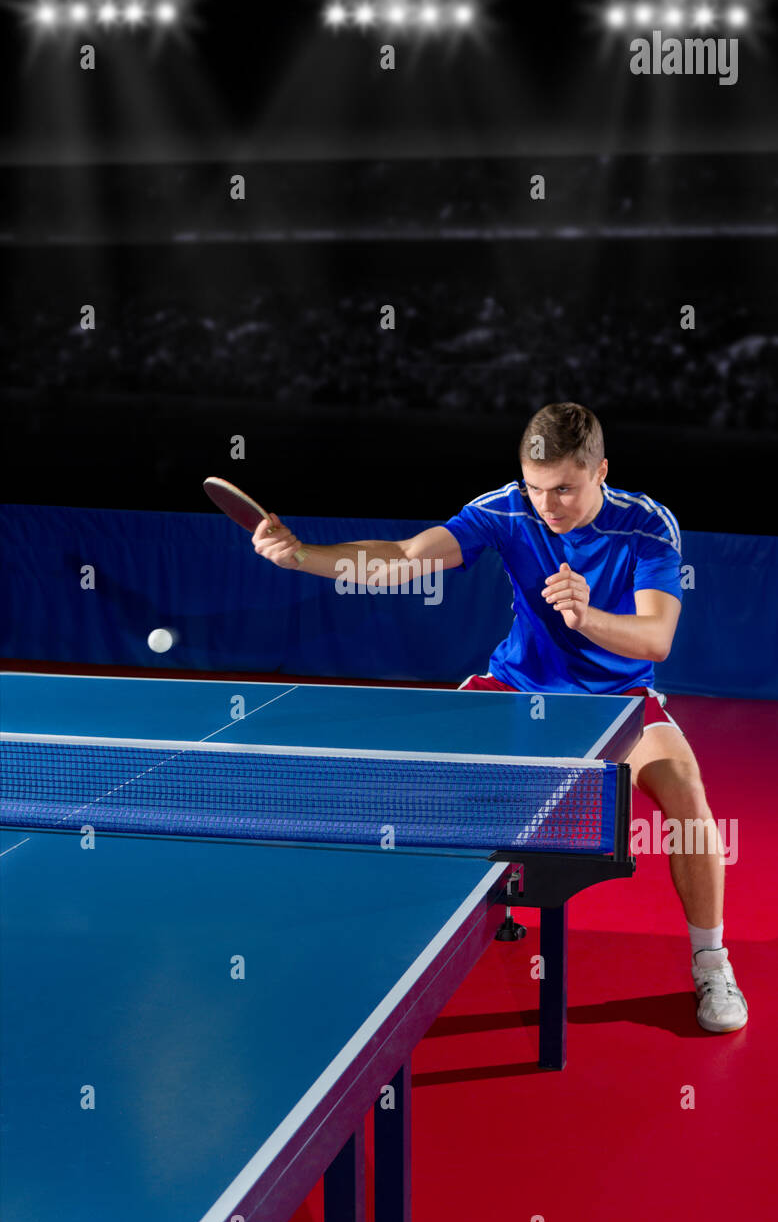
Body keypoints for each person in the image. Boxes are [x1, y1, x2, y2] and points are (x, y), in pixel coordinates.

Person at [251, 402, 747, 1035]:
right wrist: (303, 557)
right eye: (537, 487)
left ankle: (711, 962)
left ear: (600, 471)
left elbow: (656, 640)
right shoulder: (507, 509)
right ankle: (393, 951)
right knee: (414, 786)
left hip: (618, 701)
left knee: (689, 803)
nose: (548, 504)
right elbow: (405, 555)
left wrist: (587, 618)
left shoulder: (646, 526)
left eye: (564, 488)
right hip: (515, 690)